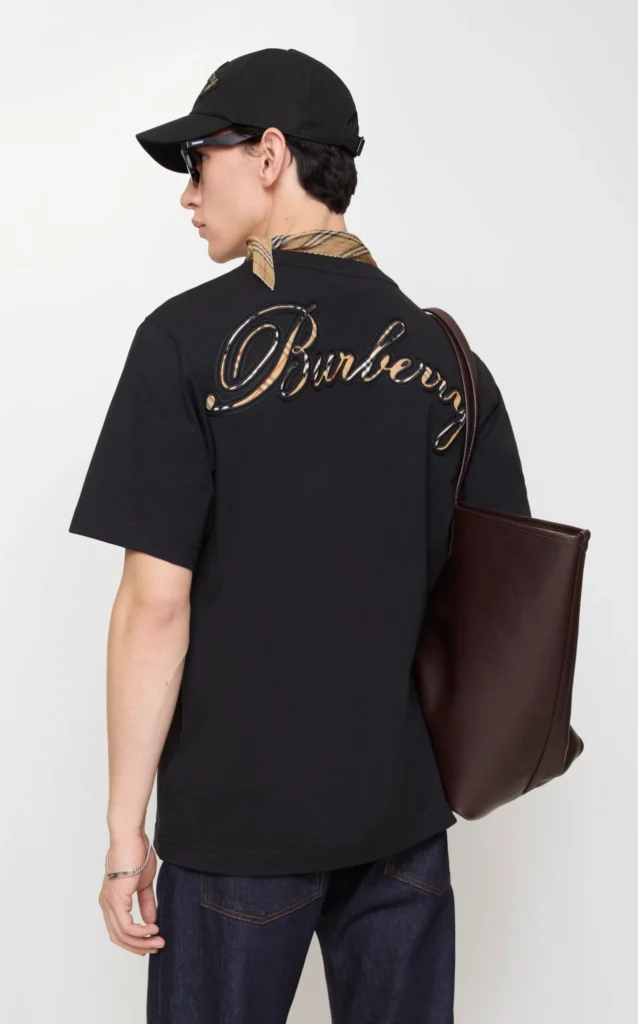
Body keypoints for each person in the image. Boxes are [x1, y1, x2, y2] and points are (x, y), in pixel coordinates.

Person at [68, 46, 530, 1024]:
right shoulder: (447, 359)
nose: (187, 193)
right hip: (400, 818)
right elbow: (493, 601)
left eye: (198, 160)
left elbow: (155, 607)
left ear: (270, 154)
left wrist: (123, 833)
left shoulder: (185, 342)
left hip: (237, 825)